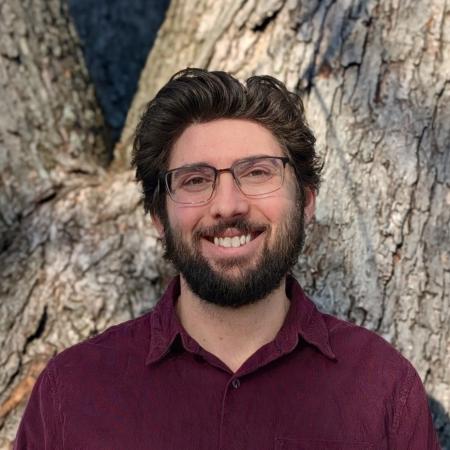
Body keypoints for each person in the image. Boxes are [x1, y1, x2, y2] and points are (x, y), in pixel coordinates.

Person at [14, 68, 440, 449]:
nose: (228, 206)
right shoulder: (72, 392)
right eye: (195, 180)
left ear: (306, 201)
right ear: (159, 218)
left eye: (257, 173)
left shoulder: (383, 387)